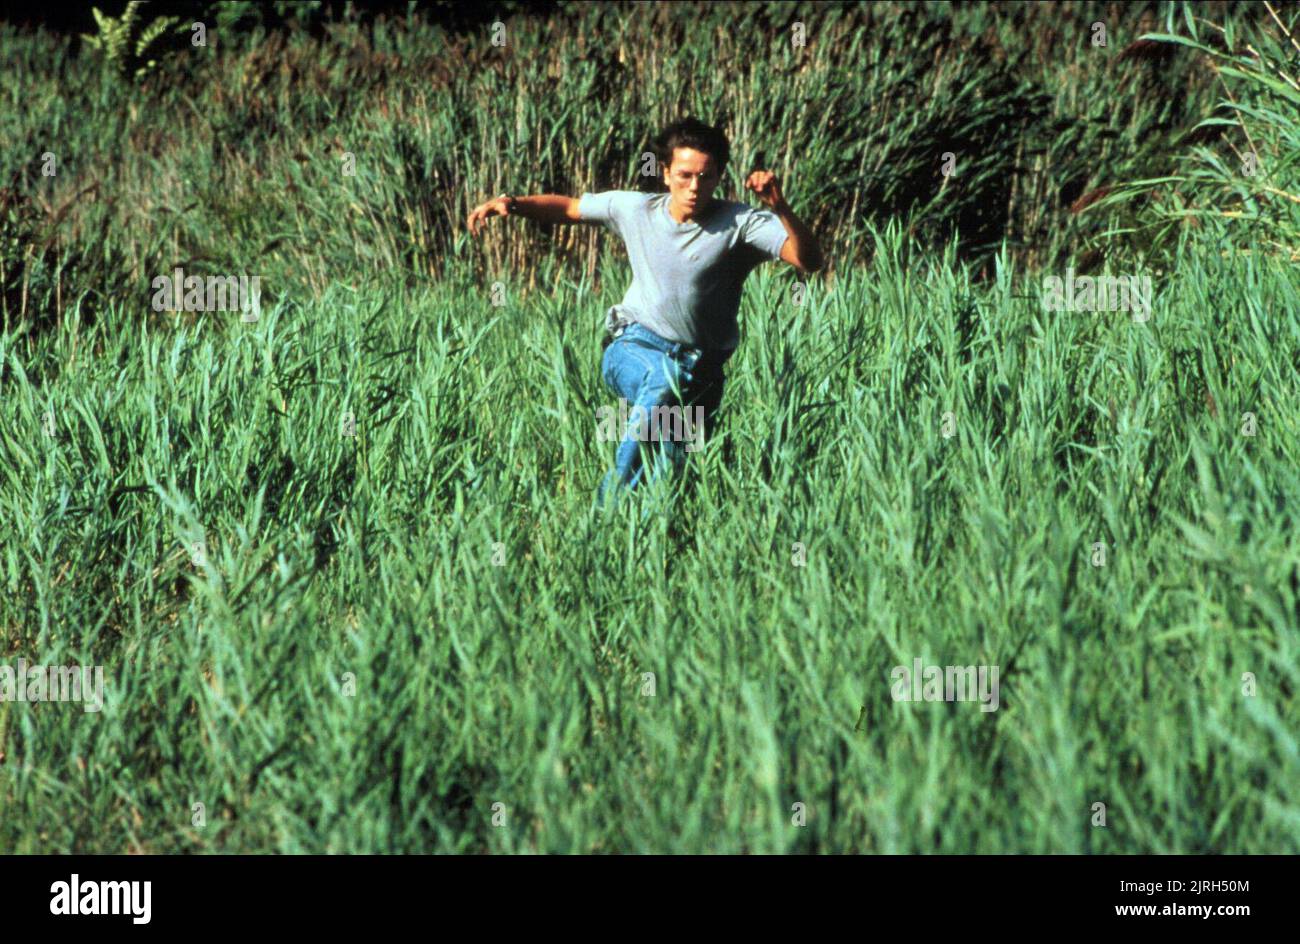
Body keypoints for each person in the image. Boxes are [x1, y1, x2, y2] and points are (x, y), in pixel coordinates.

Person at [465, 116, 824, 509]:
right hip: (634, 344)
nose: (694, 187)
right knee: (661, 379)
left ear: (719, 175)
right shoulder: (635, 209)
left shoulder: (741, 224)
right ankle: (607, 511)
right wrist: (512, 204)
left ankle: (652, 542)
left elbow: (809, 261)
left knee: (669, 471)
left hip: (703, 369)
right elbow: (570, 207)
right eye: (684, 175)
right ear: (665, 173)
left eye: (705, 176)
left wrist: (779, 206)